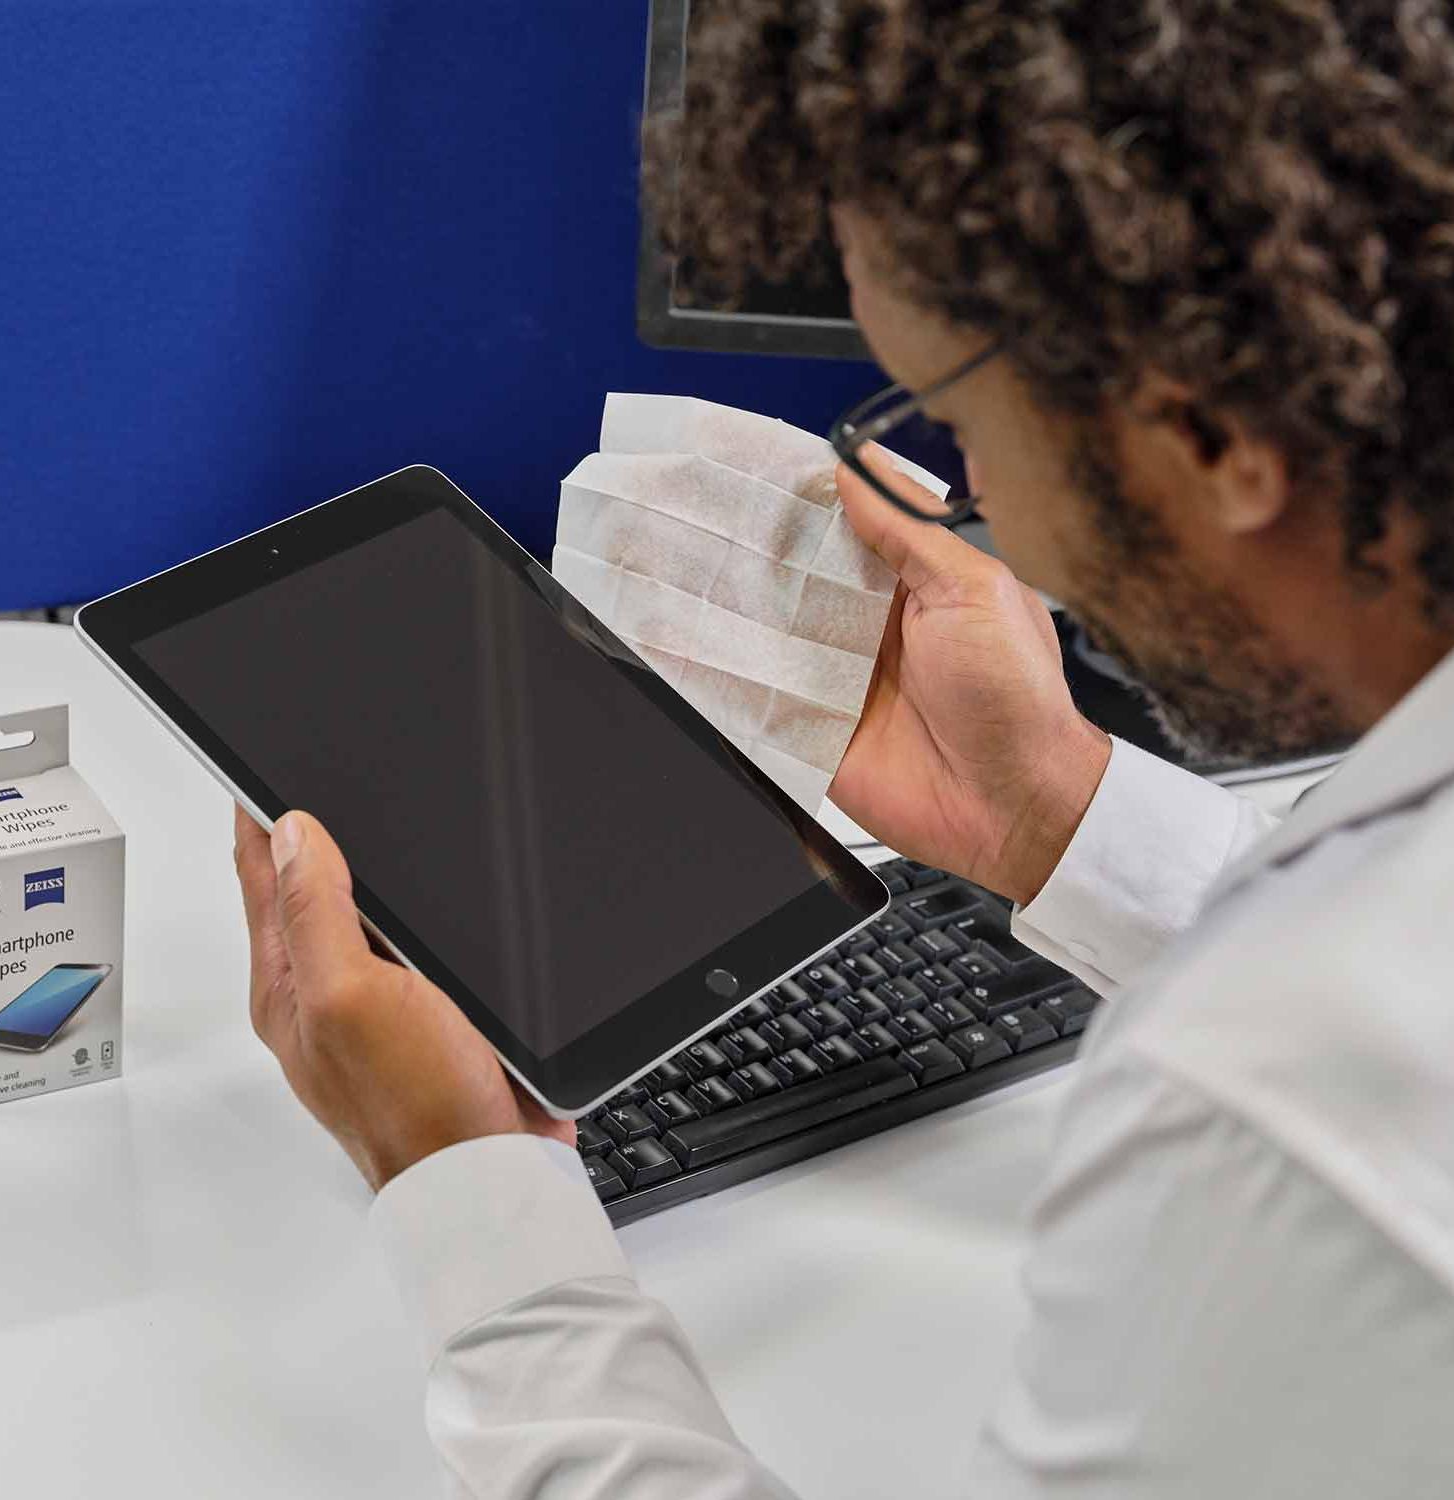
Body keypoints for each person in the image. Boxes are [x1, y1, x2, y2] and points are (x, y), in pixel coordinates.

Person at [232, 2, 1454, 1494]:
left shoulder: (1264, 1116)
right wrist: (1055, 816)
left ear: (1213, 445)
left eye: (958, 416)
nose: (978, 490)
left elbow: (1355, 1067)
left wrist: (466, 1193)